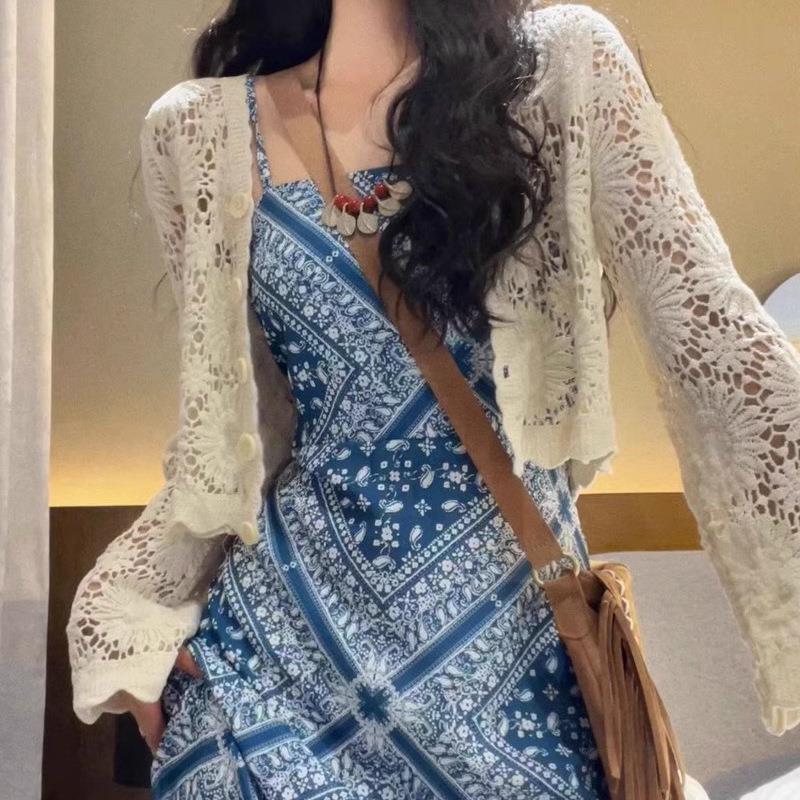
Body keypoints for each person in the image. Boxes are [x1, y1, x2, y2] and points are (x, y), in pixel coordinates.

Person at [66, 1, 800, 798]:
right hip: (276, 680)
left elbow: (719, 346)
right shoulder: (197, 130)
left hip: (519, 682)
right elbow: (230, 440)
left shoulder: (560, 67)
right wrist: (126, 611)